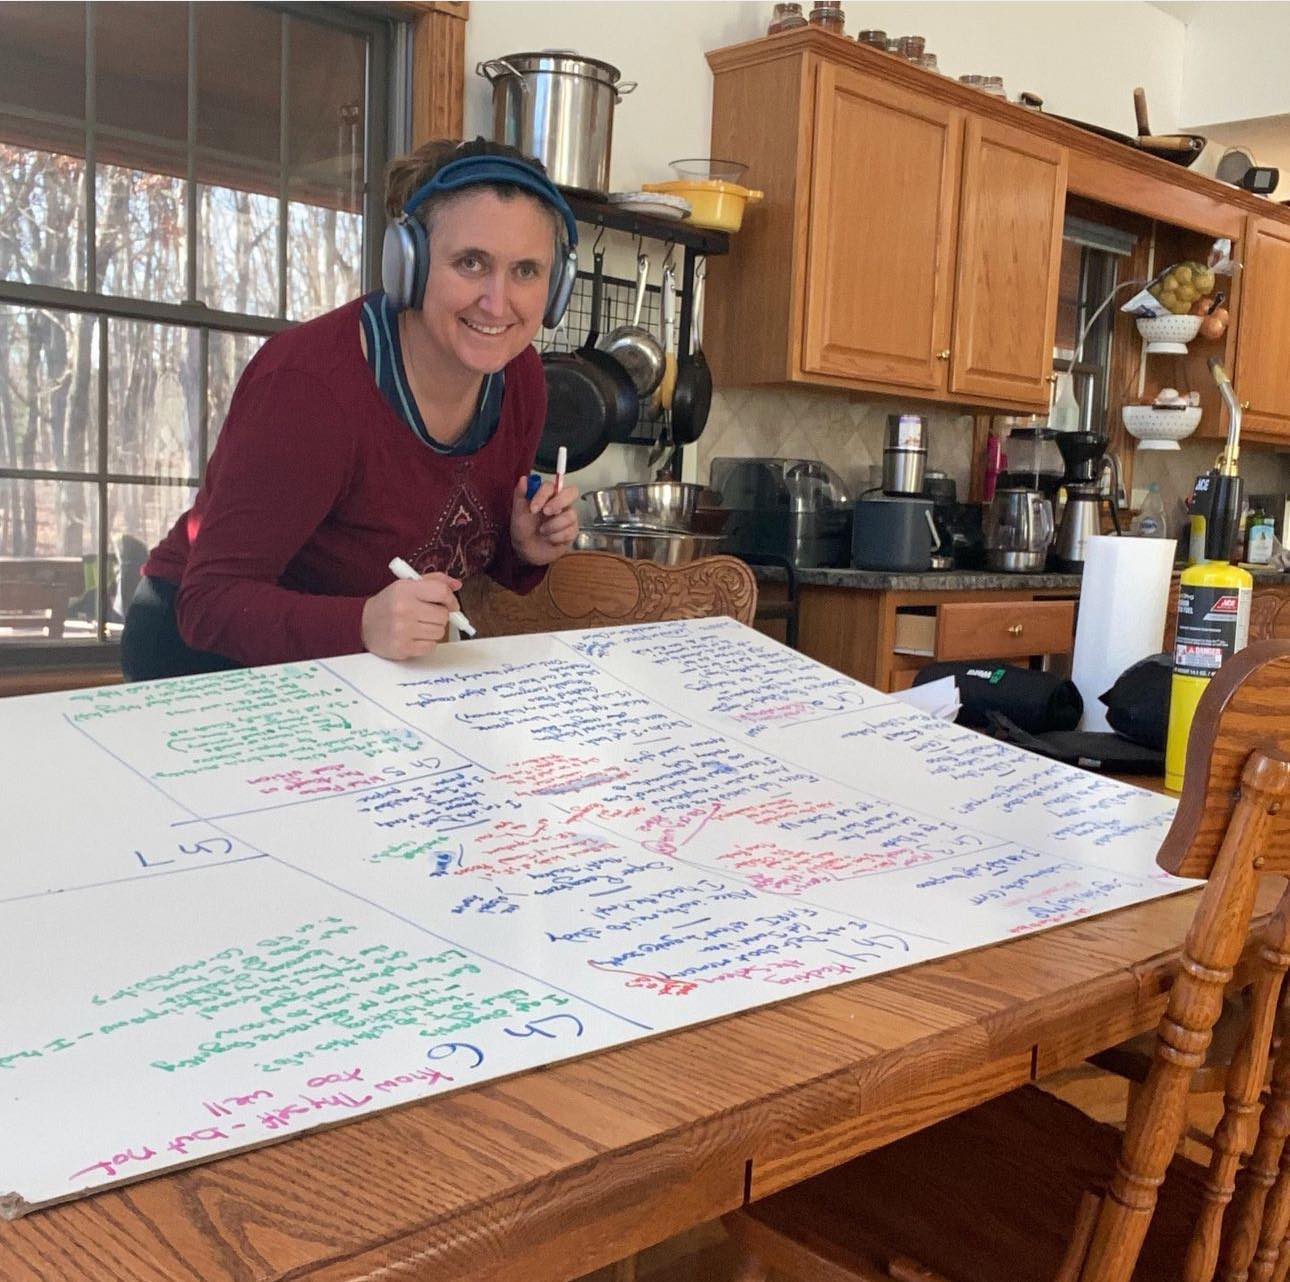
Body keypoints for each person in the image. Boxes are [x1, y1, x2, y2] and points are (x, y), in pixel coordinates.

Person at [121, 137, 581, 681]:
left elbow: (448, 546)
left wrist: (522, 547)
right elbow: (208, 604)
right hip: (200, 658)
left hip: (356, 660)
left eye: (526, 271)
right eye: (470, 262)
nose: (497, 302)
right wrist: (362, 624)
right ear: (408, 264)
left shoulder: (522, 378)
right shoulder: (310, 386)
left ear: (555, 286)